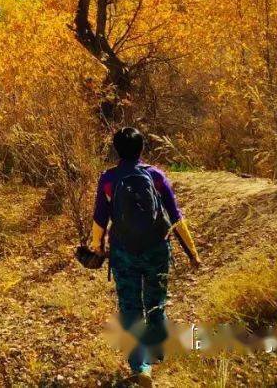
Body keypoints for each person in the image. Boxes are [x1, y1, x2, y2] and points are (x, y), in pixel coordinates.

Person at [87, 127, 201, 386]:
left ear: (117, 150)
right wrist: (192, 252)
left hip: (123, 252)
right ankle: (157, 349)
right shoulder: (156, 176)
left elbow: (99, 220)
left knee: (130, 307)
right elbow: (176, 217)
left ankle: (141, 365)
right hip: (156, 250)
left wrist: (97, 247)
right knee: (156, 300)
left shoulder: (109, 179)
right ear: (141, 149)